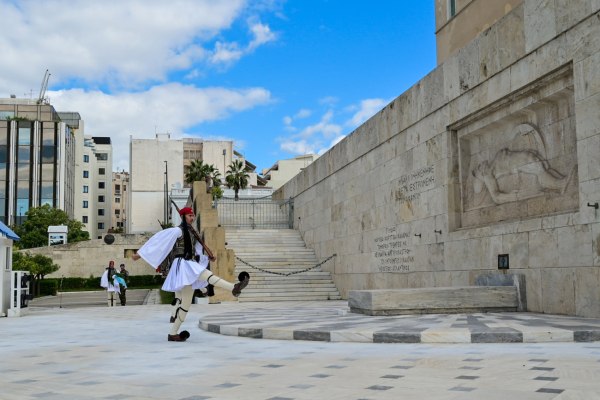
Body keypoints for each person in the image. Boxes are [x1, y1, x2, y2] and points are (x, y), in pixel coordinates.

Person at [132, 206, 250, 342]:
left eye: (193, 216)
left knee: (186, 305)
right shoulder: (177, 231)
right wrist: (139, 255)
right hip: (182, 264)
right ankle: (233, 288)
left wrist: (208, 257)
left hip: (189, 263)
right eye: (189, 216)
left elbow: (197, 250)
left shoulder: (192, 232)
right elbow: (159, 242)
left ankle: (173, 333)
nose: (192, 218)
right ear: (183, 217)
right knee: (207, 275)